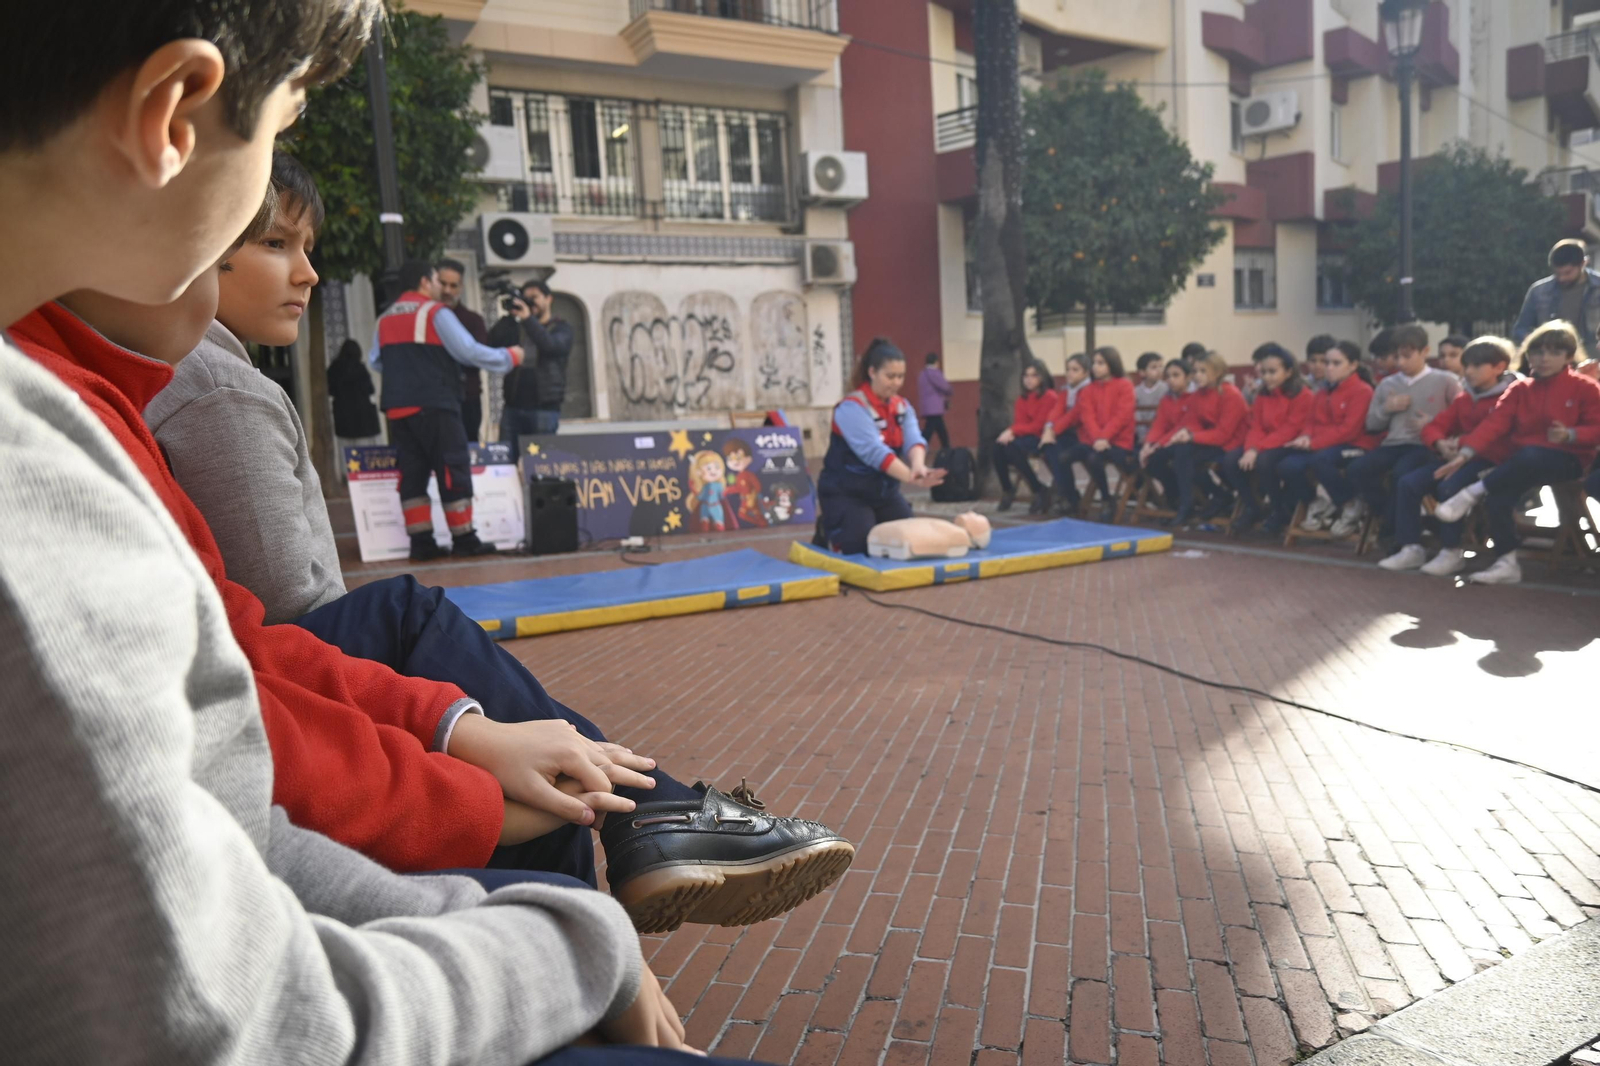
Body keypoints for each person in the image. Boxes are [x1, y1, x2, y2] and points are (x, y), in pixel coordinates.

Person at [0, 2, 748, 1060]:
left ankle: (646, 815)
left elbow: (221, 800)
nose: (299, 268)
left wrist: (461, 748)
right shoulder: (47, 462)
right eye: (275, 136)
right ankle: (643, 817)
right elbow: (226, 1004)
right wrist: (556, 925)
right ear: (173, 114)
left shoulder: (80, 410)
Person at [129, 158, 853, 923]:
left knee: (449, 627)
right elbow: (290, 608)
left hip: (395, 427)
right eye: (279, 245)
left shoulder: (371, 331)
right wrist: (519, 349)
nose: (306, 274)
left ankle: (644, 822)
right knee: (415, 621)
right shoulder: (219, 385)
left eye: (305, 249)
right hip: (293, 655)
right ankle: (640, 834)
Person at [367, 258, 523, 561]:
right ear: (426, 282)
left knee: (412, 474)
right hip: (436, 404)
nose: (442, 287)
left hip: (399, 409)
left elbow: (376, 360)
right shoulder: (435, 312)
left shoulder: (385, 317)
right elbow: (468, 351)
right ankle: (465, 539)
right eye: (438, 281)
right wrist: (509, 357)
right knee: (453, 468)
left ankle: (421, 543)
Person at [1433, 320, 1600, 584]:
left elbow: (1597, 427)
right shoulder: (1521, 389)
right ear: (1528, 355)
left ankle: (1471, 493)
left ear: (1568, 356)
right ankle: (1507, 562)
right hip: (1522, 461)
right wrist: (1464, 454)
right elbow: (1494, 424)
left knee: (1529, 456)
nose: (1544, 358)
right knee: (1499, 496)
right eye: (1538, 352)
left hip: (1569, 459)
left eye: (1554, 352)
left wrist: (1571, 434)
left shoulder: (1586, 388)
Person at [1377, 337, 1517, 575]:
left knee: (1449, 488)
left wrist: (1460, 443)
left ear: (1499, 367)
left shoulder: (1510, 396)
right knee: (1408, 483)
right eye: (1467, 365)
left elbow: (1494, 433)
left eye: (1476, 366)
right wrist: (1439, 442)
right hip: (1457, 458)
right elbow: (1436, 426)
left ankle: (1451, 551)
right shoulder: (1465, 398)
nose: (1468, 371)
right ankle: (1411, 547)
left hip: (1493, 460)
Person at [816, 337, 943, 552]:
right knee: (859, 544)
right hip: (846, 492)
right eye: (890, 376)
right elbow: (874, 453)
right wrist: (911, 477)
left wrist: (919, 466)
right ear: (872, 372)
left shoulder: (902, 406)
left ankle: (867, 519)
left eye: (900, 376)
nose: (896, 383)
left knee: (908, 542)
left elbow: (914, 440)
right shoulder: (851, 408)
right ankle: (827, 528)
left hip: (884, 493)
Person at [1344, 324, 1462, 540]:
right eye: (1397, 357)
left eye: (1407, 356)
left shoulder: (1446, 381)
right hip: (1393, 444)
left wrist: (1433, 423)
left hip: (1424, 446)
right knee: (1357, 469)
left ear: (1425, 352)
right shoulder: (1388, 384)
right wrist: (1386, 409)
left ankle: (1394, 533)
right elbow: (1372, 424)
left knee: (1402, 472)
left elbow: (1461, 419)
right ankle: (1387, 516)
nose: (1401, 363)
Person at [1267, 343, 1377, 536]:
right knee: (1287, 465)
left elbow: (1349, 431)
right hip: (1323, 445)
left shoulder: (1362, 391)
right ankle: (1316, 502)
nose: (1329, 367)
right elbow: (1310, 421)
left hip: (1355, 445)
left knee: (1321, 460)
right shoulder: (1323, 391)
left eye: (1336, 363)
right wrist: (1305, 437)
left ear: (1353, 365)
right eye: (1327, 362)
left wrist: (1313, 443)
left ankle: (1349, 503)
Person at [1219, 344, 1313, 533]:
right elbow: (1257, 425)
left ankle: (1279, 509)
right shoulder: (1263, 394)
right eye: (1264, 372)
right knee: (1230, 460)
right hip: (1265, 442)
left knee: (1264, 461)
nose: (1267, 377)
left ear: (1288, 372)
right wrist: (1251, 449)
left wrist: (1257, 449)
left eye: (1272, 372)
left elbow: (1290, 429)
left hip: (1291, 443)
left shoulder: (1303, 394)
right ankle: (1253, 506)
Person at [1051, 346, 1136, 521]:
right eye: (1095, 363)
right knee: (1063, 457)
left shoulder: (1125, 386)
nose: (1096, 367)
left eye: (1101, 363)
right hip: (1093, 441)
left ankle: (1107, 499)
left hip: (1119, 443)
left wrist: (1104, 438)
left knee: (1094, 458)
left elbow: (1122, 417)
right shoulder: (1089, 390)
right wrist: (1098, 438)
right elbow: (1087, 416)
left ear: (1112, 364)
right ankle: (1071, 498)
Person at [501, 277, 575, 442]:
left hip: (544, 410)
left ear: (549, 299)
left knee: (540, 462)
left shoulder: (561, 328)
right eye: (526, 298)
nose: (529, 302)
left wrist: (528, 319)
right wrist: (509, 317)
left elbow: (550, 345)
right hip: (513, 407)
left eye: (534, 297)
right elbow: (493, 342)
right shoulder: (518, 328)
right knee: (507, 463)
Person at [1138, 357, 1202, 521]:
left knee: (1181, 456)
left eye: (1176, 375)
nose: (1171, 380)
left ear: (1188, 377)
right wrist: (1148, 444)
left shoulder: (1194, 397)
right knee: (1150, 461)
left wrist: (1158, 444)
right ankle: (1173, 495)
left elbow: (1182, 426)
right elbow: (1160, 424)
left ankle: (1186, 503)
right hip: (1170, 441)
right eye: (1168, 376)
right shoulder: (1167, 399)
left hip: (1188, 440)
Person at [993, 357, 1057, 514]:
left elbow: (1039, 425)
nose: (1029, 380)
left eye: (1034, 375)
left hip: (1043, 437)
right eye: (1026, 376)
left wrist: (1013, 431)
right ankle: (1008, 489)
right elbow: (1021, 423)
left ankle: (1037, 489)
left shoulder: (1050, 396)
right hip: (1026, 436)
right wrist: (1012, 432)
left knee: (1012, 448)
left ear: (1042, 377)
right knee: (998, 447)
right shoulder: (1022, 400)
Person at [437, 256, 489, 442]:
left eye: (453, 286)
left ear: (461, 288)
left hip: (467, 399)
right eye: (442, 284)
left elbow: (478, 357)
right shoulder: (424, 317)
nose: (447, 291)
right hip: (433, 401)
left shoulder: (473, 320)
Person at [1513, 239, 1600, 349]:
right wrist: (1535, 341)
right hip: (1553, 359)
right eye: (1557, 273)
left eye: (1567, 273)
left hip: (1592, 359)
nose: (1562, 278)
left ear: (1583, 263)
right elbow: (1521, 329)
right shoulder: (1539, 291)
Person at [328, 337, 381, 462]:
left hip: (343, 416)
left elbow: (330, 390)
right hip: (363, 418)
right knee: (365, 452)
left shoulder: (334, 369)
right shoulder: (360, 368)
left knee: (346, 452)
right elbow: (370, 390)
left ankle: (347, 477)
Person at [918, 350, 953, 451]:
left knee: (938, 429)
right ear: (936, 362)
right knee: (931, 431)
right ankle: (921, 447)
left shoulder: (923, 374)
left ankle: (946, 447)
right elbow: (944, 386)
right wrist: (950, 391)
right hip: (935, 407)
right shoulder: (934, 373)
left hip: (928, 407)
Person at [1133, 351, 1166, 445]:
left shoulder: (1166, 389)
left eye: (1161, 366)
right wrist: (1143, 436)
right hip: (1140, 436)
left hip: (1161, 435)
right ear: (1142, 372)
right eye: (1154, 367)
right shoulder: (1135, 392)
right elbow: (1136, 416)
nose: (1159, 370)